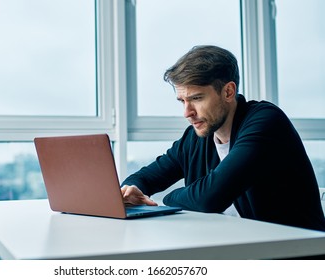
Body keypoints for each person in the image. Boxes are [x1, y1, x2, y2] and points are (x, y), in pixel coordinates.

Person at [121, 45, 325, 232]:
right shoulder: (197, 137)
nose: (187, 112)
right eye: (182, 101)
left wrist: (166, 199)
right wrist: (131, 190)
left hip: (295, 255)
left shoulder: (266, 122)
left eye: (196, 98)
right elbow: (146, 177)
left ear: (228, 91)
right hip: (239, 249)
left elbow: (209, 198)